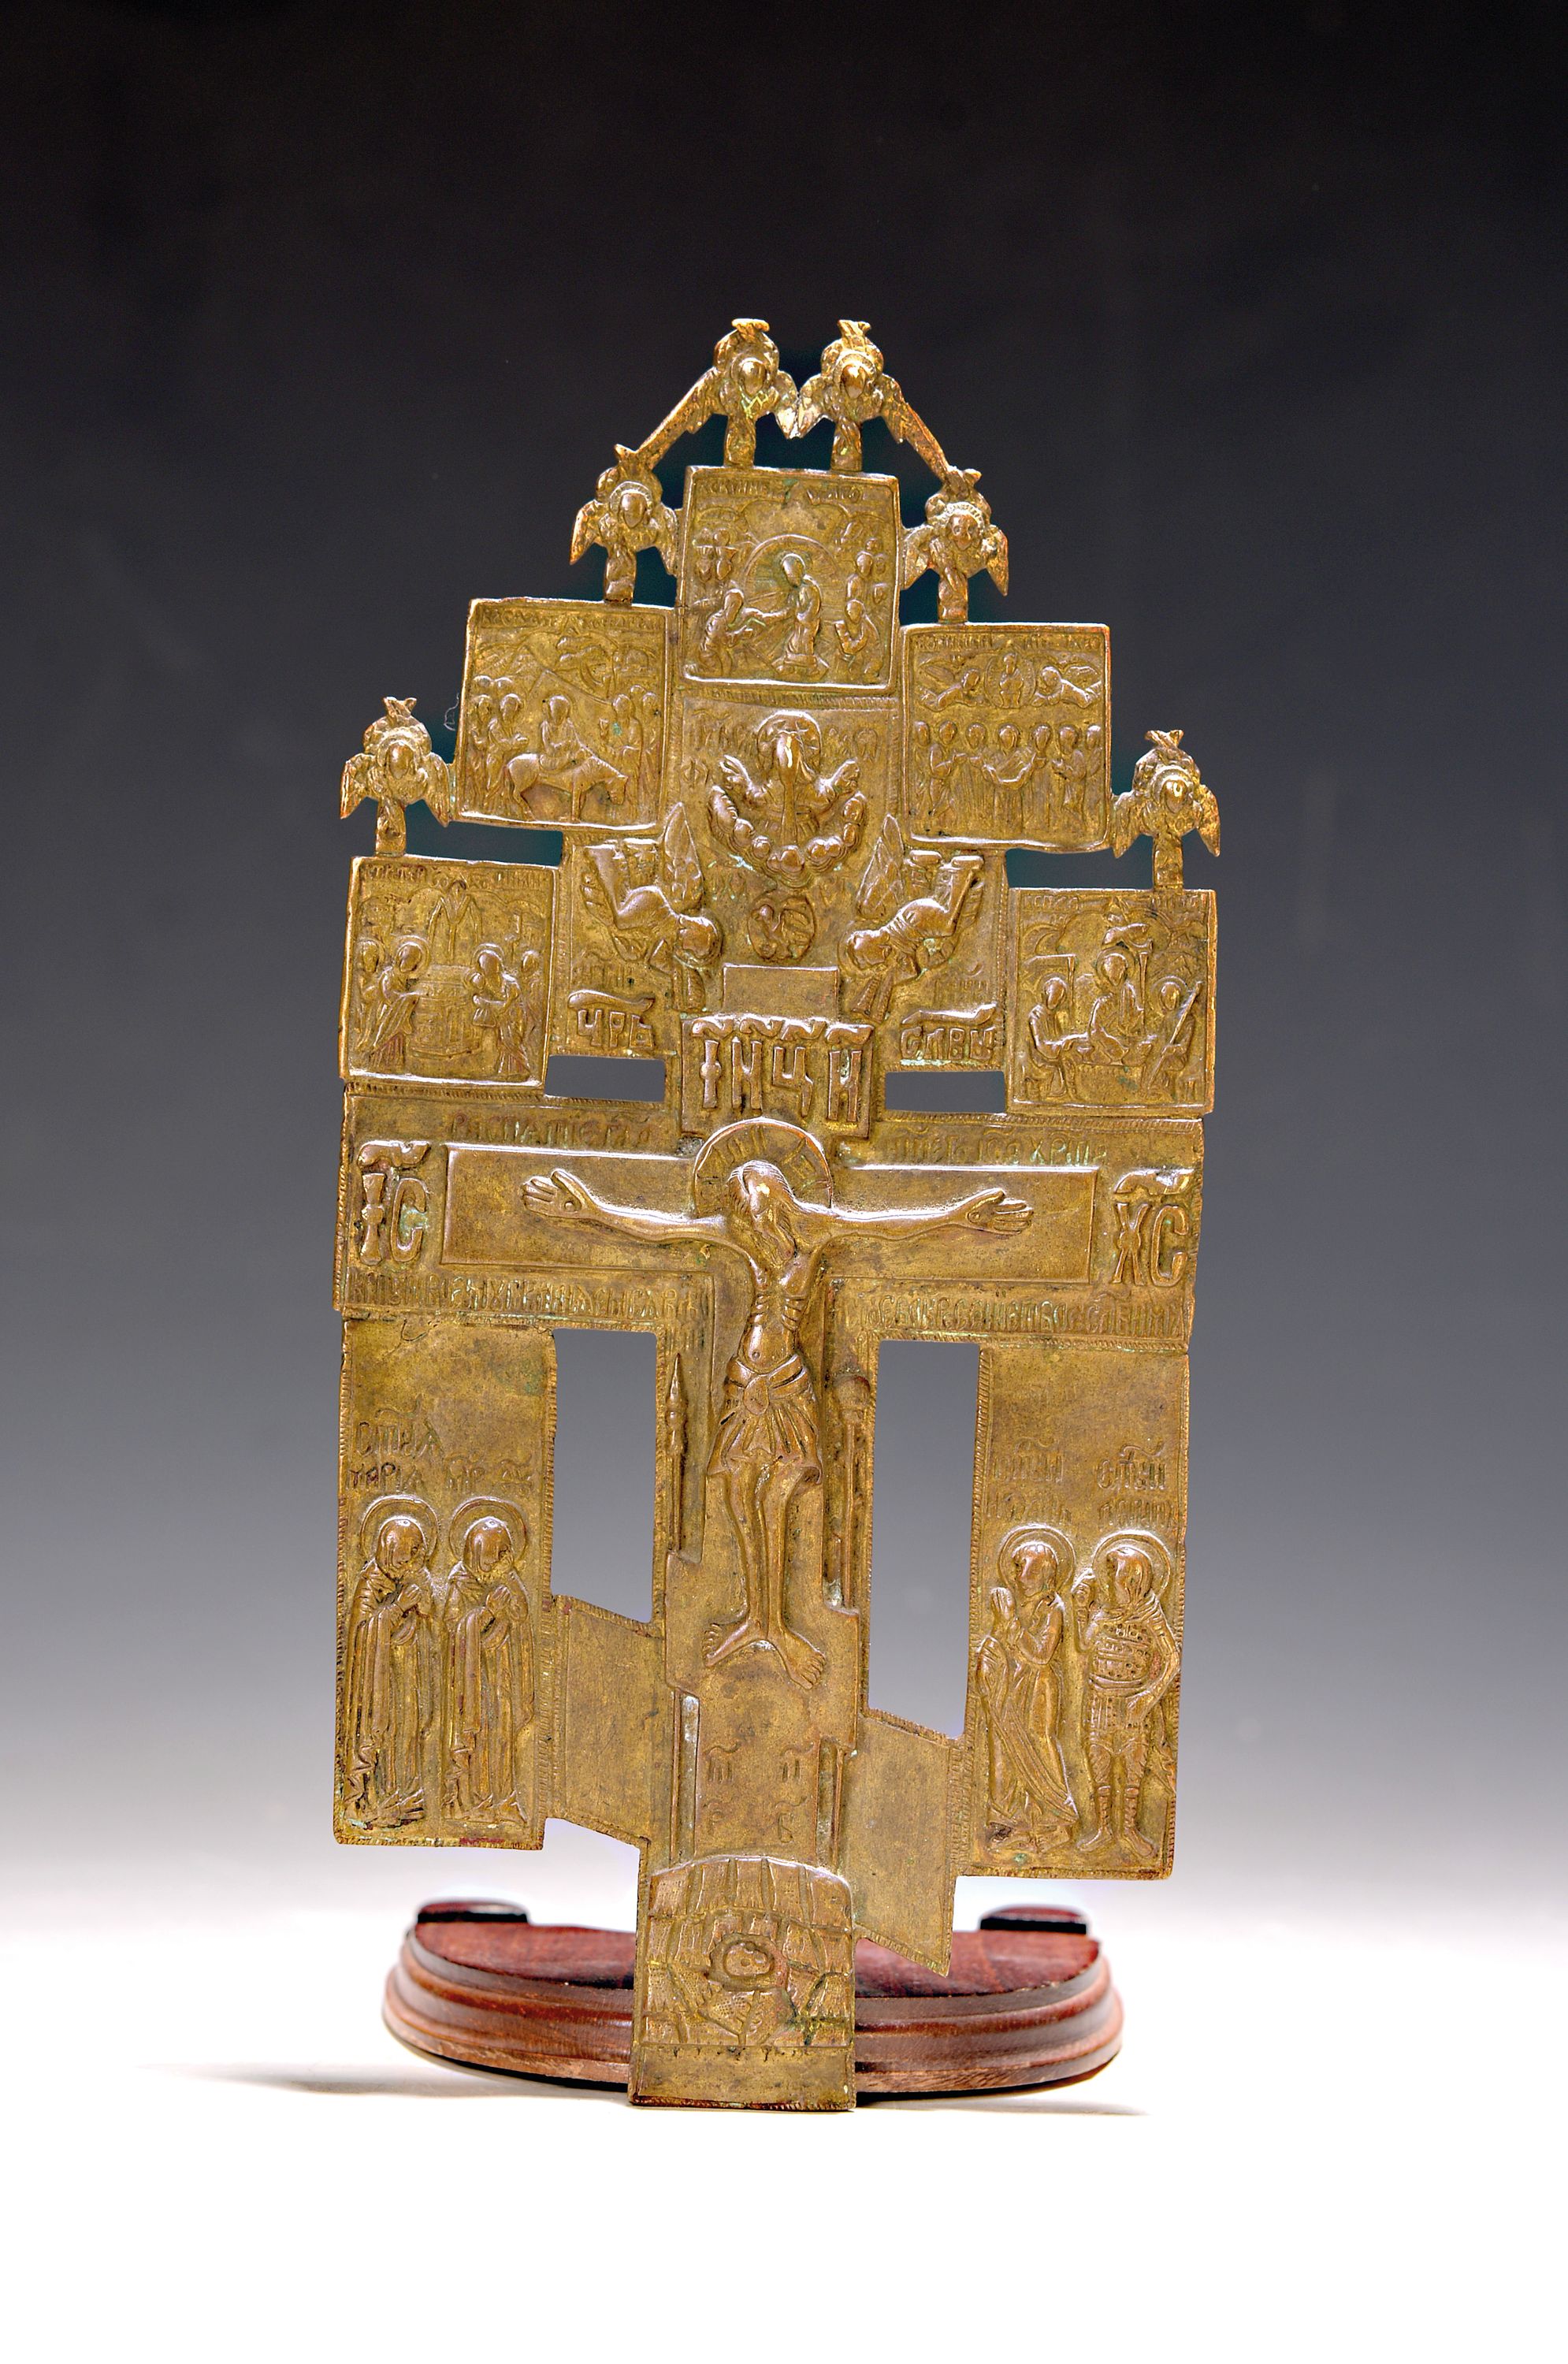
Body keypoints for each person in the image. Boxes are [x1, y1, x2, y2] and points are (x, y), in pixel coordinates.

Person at [525, 1124, 1030, 1690]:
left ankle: (779, 1629)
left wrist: (957, 1215)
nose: (750, 1226)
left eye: (756, 1213)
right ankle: (754, 1622)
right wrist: (592, 1212)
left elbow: (885, 1227)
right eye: (742, 1217)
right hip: (745, 1382)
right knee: (738, 1495)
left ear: (775, 1201)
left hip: (787, 1385)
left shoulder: (813, 1229)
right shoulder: (741, 1236)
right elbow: (665, 1230)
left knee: (777, 1497)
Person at [1072, 1537, 1179, 1861]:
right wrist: (1081, 1611)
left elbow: (1172, 1659)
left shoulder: (1150, 1614)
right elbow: (1084, 1645)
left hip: (1133, 1704)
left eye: (1114, 1579)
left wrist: (1149, 1696)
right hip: (1099, 1700)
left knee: (1134, 1772)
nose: (1108, 1585)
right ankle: (1104, 1829)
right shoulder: (1104, 1611)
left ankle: (1131, 1830)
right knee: (1100, 1768)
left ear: (1133, 1582)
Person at [975, 1530, 1077, 1853]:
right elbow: (996, 1641)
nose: (1019, 1576)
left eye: (1025, 1568)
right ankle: (1012, 1821)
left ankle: (1059, 1819)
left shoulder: (1052, 1607)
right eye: (1017, 1568)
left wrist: (1010, 1623)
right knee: (1006, 1748)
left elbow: (1042, 1654)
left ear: (1044, 1573)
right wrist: (988, 1658)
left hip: (1039, 1688)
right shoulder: (1012, 1602)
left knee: (1040, 1745)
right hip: (1011, 1685)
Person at [343, 1508, 440, 1829]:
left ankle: (407, 1797)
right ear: (388, 1547)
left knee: (408, 1734)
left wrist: (422, 1605)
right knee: (384, 1736)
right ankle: (376, 1802)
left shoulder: (411, 1579)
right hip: (378, 1687)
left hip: (407, 1679)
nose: (409, 1560)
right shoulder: (369, 1585)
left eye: (415, 1553)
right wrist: (398, 1607)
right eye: (404, 1552)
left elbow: (432, 1622)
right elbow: (363, 1634)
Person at [444, 1510, 533, 1824]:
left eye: (503, 1555)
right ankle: (474, 1802)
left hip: (501, 1674)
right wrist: (486, 1612)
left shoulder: (504, 1580)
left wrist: (511, 1576)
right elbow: (453, 1629)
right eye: (493, 1556)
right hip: (470, 1680)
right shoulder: (459, 1583)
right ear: (476, 1552)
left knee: (503, 1733)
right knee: (479, 1736)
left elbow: (522, 1613)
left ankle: (504, 1800)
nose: (497, 1562)